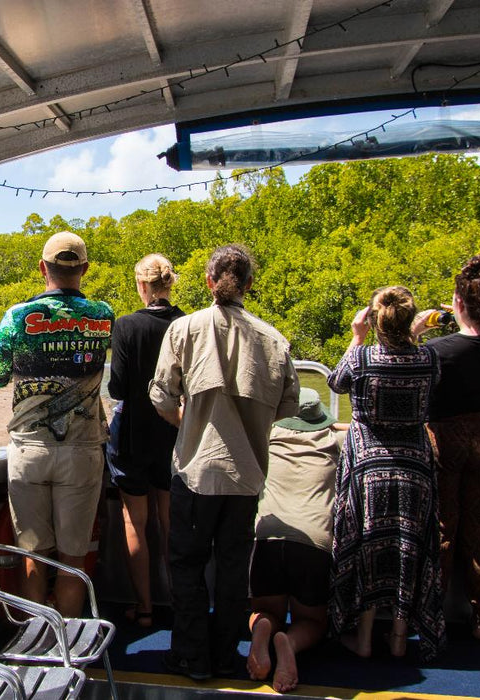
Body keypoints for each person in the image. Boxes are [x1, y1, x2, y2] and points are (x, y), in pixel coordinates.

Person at [149, 244, 300, 680]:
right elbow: (288, 406)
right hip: (247, 476)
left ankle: (191, 658)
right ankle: (222, 655)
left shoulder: (184, 329)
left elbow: (161, 396)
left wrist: (190, 426)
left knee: (187, 566)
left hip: (195, 473)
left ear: (209, 282)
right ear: (249, 285)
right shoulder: (273, 340)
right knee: (234, 572)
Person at [0, 231, 114, 618]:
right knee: (73, 560)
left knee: (33, 556)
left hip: (29, 449)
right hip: (82, 451)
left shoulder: (18, 317)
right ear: (84, 269)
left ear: (42, 268)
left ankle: (37, 652)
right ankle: (68, 654)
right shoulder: (102, 315)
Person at [328, 286, 446, 660]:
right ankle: (398, 638)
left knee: (368, 548)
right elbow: (418, 365)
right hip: (415, 469)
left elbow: (335, 381)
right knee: (407, 548)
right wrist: (414, 336)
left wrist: (356, 336)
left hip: (368, 469)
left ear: (374, 320)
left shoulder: (361, 358)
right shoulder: (428, 359)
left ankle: (362, 639)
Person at [412, 255, 480, 640]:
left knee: (442, 528)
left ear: (457, 302)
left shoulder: (439, 350)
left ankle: (432, 613)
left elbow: (408, 364)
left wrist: (417, 330)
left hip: (445, 439)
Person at [247, 388, 344, 693]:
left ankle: (263, 628)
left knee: (265, 610)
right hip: (312, 541)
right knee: (314, 621)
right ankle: (289, 642)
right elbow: (355, 429)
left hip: (268, 536)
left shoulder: (266, 438)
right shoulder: (333, 440)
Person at [107, 253, 185, 627]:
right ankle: (181, 605)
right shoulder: (187, 325)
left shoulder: (125, 326)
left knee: (135, 522)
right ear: (170, 284)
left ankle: (145, 610)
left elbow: (117, 386)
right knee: (171, 523)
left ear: (141, 285)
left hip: (134, 434)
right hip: (174, 433)